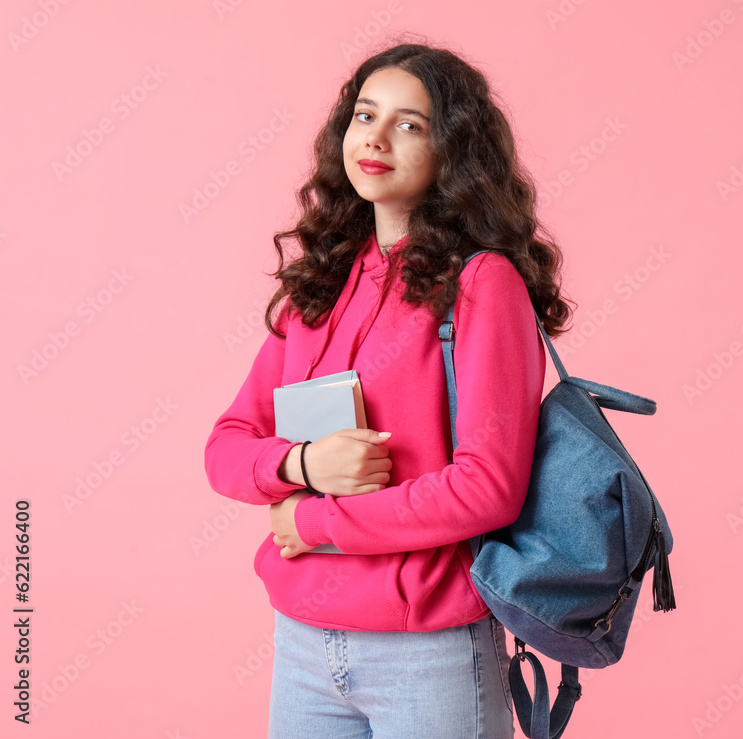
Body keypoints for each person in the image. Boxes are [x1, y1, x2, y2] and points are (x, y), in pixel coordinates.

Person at [203, 39, 575, 738]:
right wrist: (303, 464)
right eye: (365, 115)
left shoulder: (480, 283)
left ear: (452, 151)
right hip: (305, 642)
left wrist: (312, 521)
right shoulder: (322, 281)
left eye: (409, 124)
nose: (375, 137)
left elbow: (487, 486)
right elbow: (226, 446)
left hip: (428, 650)